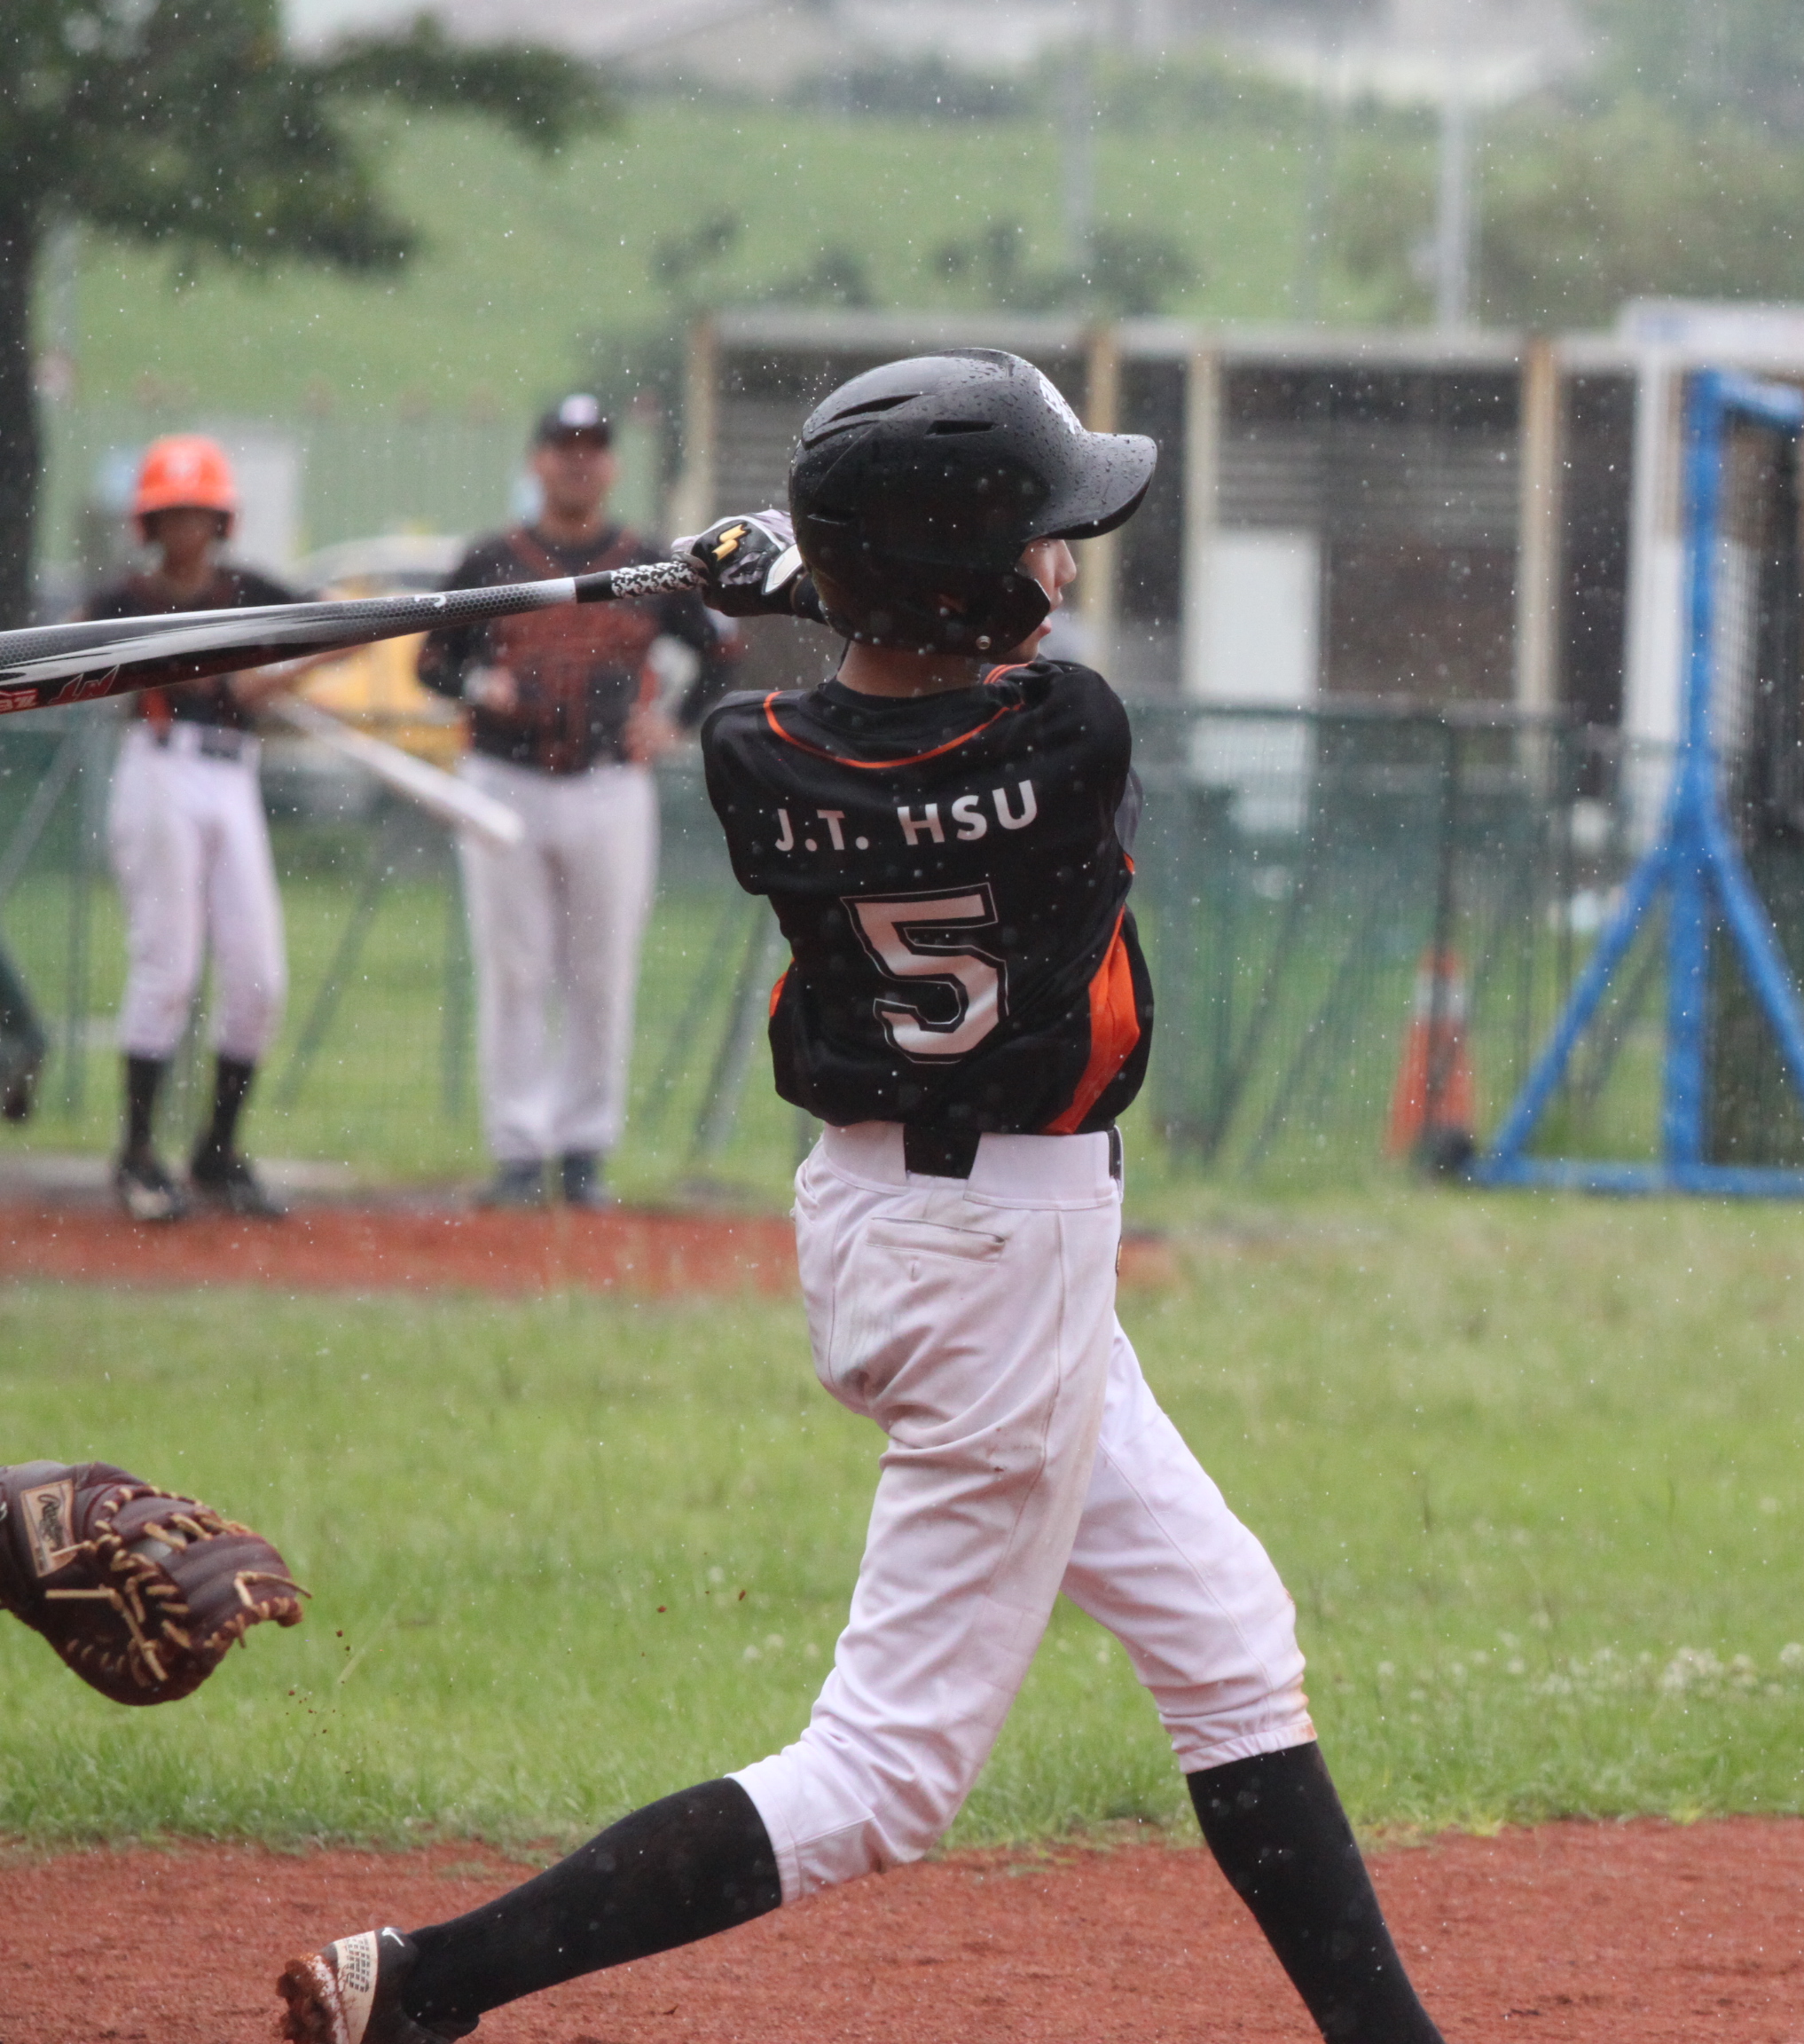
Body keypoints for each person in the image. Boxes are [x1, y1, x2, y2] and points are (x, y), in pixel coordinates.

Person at [274, 351, 1450, 2044]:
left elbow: (868, 684)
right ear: (969, 585)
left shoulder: (757, 753)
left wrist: (789, 577)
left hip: (892, 1217)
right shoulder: (1074, 734)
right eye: (1041, 537)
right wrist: (805, 572)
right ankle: (428, 1981)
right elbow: (973, 671)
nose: (1064, 560)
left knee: (1224, 1633)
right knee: (884, 1770)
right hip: (1003, 1251)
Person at [415, 395, 737, 1210]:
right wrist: (477, 684)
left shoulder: (645, 561)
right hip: (505, 778)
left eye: (592, 446)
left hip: (607, 780)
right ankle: (520, 1150)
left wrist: (674, 722)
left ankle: (584, 1149)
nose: (578, 460)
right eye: (564, 445)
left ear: (613, 464)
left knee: (600, 970)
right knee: (515, 968)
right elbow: (431, 660)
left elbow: (722, 649)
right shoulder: (493, 560)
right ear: (538, 460)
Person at [83, 434, 307, 1222]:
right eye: (173, 514)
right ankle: (138, 1155)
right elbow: (72, 666)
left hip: (233, 772)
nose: (188, 529)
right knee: (167, 970)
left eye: (200, 514)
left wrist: (274, 678)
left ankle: (217, 1149)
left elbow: (337, 628)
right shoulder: (124, 599)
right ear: (149, 523)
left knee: (259, 979)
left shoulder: (250, 590)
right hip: (159, 767)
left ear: (222, 520)